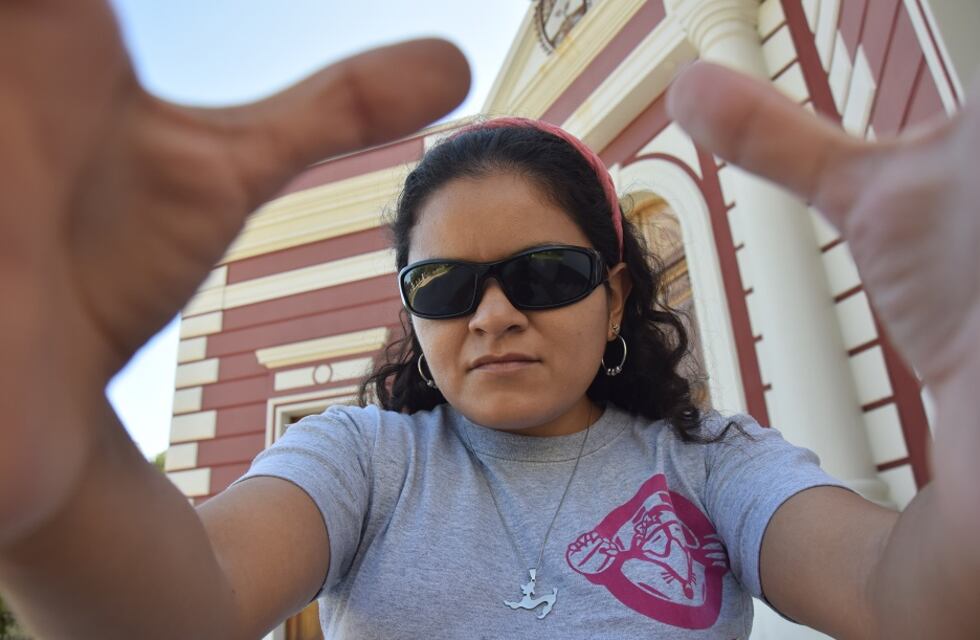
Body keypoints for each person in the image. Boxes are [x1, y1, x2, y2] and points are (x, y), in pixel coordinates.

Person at [0, 2, 976, 639]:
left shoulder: (712, 460)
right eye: (443, 286)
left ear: (616, 296)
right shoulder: (362, 460)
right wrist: (57, 465)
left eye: (544, 273)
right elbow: (189, 600)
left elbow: (902, 597)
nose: (493, 314)